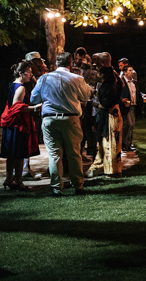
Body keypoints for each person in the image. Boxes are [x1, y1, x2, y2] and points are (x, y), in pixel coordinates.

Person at [30, 52, 92, 196]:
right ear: (70, 63)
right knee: (74, 153)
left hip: (50, 119)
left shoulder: (44, 78)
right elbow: (85, 96)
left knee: (54, 154)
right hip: (70, 119)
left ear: (57, 64)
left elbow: (33, 99)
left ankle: (57, 188)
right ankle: (78, 185)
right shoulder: (77, 78)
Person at [0, 61, 41, 191]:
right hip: (18, 124)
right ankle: (18, 181)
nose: (31, 74)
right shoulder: (21, 88)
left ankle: (9, 180)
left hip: (11, 124)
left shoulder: (12, 84)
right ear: (21, 73)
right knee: (19, 154)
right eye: (29, 72)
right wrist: (35, 108)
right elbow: (17, 107)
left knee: (12, 154)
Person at [119, 62, 144, 153]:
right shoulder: (121, 82)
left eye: (132, 70)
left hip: (133, 105)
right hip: (125, 106)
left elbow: (137, 93)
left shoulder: (134, 82)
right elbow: (118, 93)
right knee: (128, 124)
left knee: (132, 125)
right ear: (125, 72)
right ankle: (124, 144)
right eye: (129, 70)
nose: (131, 72)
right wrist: (122, 99)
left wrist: (143, 96)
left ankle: (128, 144)